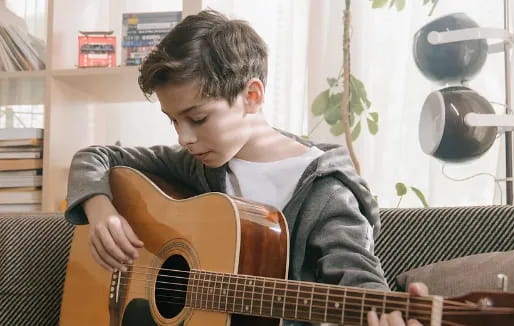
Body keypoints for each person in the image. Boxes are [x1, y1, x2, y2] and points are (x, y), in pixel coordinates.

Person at [64, 9, 426, 326]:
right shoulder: (199, 164)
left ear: (251, 96)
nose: (184, 138)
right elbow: (95, 156)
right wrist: (101, 211)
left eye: (198, 117)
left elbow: (358, 278)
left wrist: (386, 309)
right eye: (173, 121)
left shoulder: (327, 191)